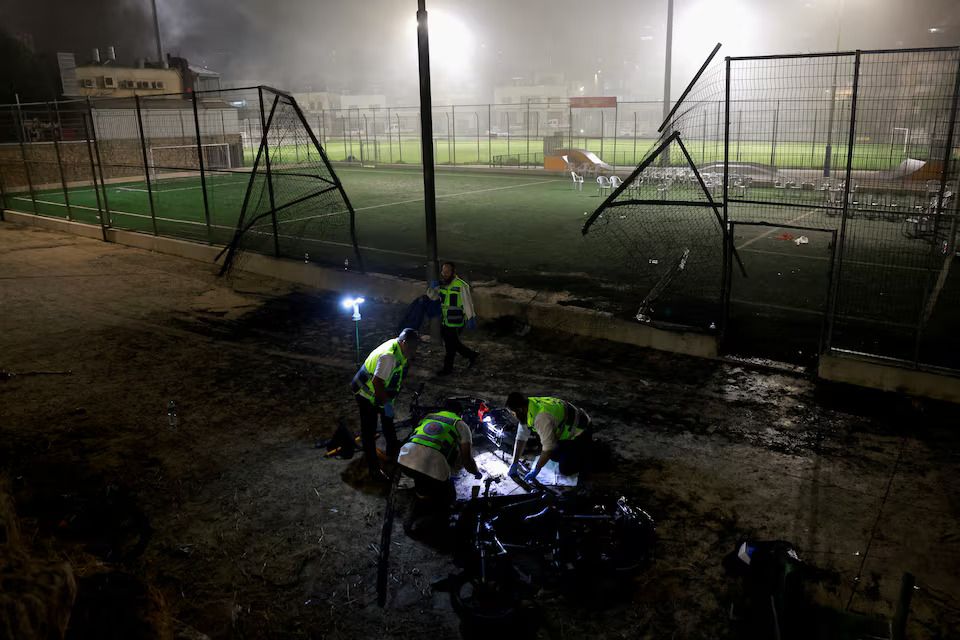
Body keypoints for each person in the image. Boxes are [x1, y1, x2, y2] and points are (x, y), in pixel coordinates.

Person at [351, 328, 419, 482]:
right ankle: (374, 470)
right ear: (402, 342)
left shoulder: (399, 348)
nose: (413, 351)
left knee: (388, 421)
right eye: (411, 348)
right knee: (369, 433)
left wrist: (387, 404)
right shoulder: (389, 356)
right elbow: (377, 382)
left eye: (415, 348)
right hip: (366, 394)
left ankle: (392, 451)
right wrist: (386, 404)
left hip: (379, 394)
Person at [397, 400, 482, 504]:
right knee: (449, 497)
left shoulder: (428, 417)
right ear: (460, 414)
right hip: (434, 470)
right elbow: (467, 460)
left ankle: (421, 495)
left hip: (404, 461)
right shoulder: (460, 424)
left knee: (421, 472)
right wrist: (476, 472)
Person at [505, 393, 592, 483]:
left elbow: (548, 448)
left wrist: (536, 469)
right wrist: (514, 462)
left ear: (520, 410)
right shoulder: (528, 406)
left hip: (581, 432)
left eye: (513, 414)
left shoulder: (541, 418)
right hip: (569, 427)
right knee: (553, 456)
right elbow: (521, 438)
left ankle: (590, 453)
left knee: (565, 469)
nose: (513, 416)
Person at [432, 262, 478, 376]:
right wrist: (432, 288)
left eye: (448, 271)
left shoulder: (461, 285)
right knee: (453, 343)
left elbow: (468, 303)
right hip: (445, 321)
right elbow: (432, 297)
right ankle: (471, 355)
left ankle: (447, 370)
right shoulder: (441, 284)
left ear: (453, 272)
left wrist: (470, 317)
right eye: (443, 271)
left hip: (456, 322)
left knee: (450, 347)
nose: (445, 273)